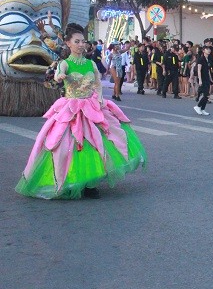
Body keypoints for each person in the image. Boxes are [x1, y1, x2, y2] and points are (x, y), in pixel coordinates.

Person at [15, 25, 147, 199]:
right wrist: (60, 76)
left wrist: (99, 100)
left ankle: (90, 183)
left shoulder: (90, 63)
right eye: (76, 41)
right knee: (67, 146)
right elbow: (58, 74)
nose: (81, 44)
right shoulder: (64, 63)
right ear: (68, 43)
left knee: (98, 142)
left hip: (91, 107)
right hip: (71, 110)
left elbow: (97, 83)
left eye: (82, 41)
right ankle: (71, 180)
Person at [194, 45, 213, 116]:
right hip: (202, 78)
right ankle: (198, 106)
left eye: (209, 49)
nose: (209, 50)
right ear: (204, 51)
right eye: (207, 49)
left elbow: (208, 71)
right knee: (206, 95)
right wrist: (200, 80)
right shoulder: (201, 59)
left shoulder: (208, 59)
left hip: (207, 78)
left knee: (207, 95)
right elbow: (199, 70)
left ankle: (202, 109)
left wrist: (211, 79)